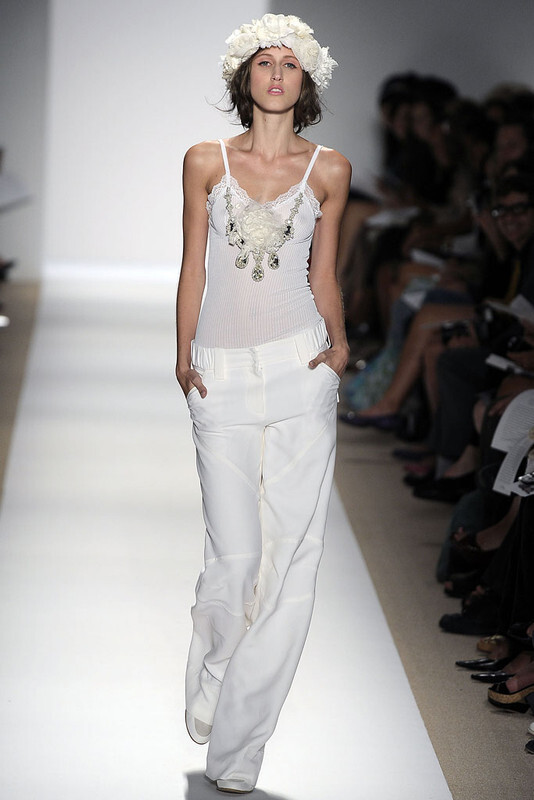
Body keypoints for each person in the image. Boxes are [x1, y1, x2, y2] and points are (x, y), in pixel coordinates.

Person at [175, 14, 351, 794]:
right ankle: (218, 669)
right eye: (263, 63)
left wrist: (338, 349)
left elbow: (324, 272)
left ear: (305, 80)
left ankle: (241, 749)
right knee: (235, 562)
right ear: (242, 77)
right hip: (220, 372)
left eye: (290, 64)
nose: (276, 74)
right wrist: (182, 355)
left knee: (290, 567)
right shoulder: (203, 160)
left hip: (300, 370)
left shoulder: (330, 169)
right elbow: (192, 264)